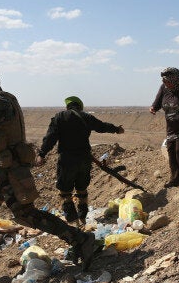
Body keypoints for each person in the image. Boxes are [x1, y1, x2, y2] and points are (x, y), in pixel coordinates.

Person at [0, 65, 95, 283]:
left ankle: (81, 240)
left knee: (26, 215)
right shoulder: (2, 99)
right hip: (2, 170)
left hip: (8, 171)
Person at [35, 96, 124, 226]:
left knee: (65, 193)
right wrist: (117, 129)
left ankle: (73, 223)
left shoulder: (59, 117)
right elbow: (101, 126)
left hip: (67, 161)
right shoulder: (86, 117)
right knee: (82, 190)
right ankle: (82, 219)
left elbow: (50, 138)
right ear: (79, 106)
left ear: (67, 107)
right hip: (84, 160)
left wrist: (42, 154)